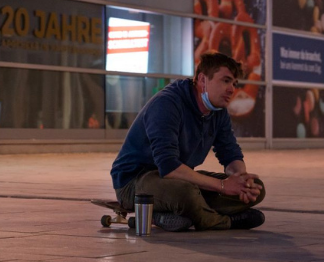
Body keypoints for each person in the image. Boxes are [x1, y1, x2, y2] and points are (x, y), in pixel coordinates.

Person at [110, 53, 266, 232]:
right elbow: (169, 167)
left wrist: (242, 182)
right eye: (226, 81)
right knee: (186, 194)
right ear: (202, 80)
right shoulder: (167, 104)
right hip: (134, 182)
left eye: (234, 83)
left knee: (258, 189)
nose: (232, 89)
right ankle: (224, 222)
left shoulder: (218, 110)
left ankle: (175, 214)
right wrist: (223, 186)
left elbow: (230, 153)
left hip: (178, 178)